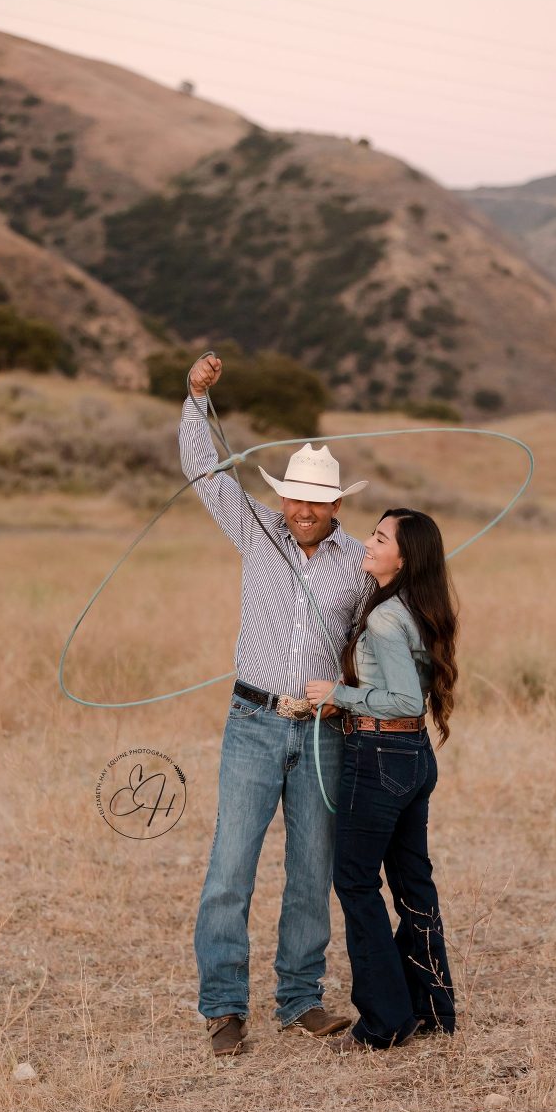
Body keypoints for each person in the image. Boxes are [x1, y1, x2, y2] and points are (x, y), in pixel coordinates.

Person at [179, 353, 374, 1057]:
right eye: (294, 497)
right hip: (254, 720)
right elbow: (204, 469)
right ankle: (224, 1005)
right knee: (231, 864)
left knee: (311, 867)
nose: (302, 510)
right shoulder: (256, 529)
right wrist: (196, 397)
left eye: (316, 501)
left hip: (324, 730)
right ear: (283, 497)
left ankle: (300, 997)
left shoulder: (359, 563)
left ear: (336, 506)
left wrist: (353, 699)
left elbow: (376, 642)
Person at [305, 507, 458, 1052]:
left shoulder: (385, 618)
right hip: (412, 756)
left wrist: (335, 695)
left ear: (403, 557)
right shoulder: (414, 607)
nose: (368, 543)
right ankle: (431, 1006)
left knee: (355, 882)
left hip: (379, 754)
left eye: (379, 537)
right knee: (413, 881)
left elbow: (403, 698)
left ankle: (386, 1021)